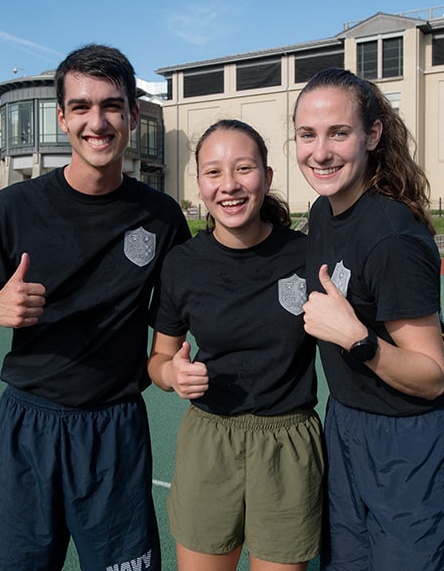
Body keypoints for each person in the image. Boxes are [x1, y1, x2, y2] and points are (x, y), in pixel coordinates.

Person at [0, 44, 190, 571]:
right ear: (62, 117)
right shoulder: (12, 209)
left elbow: (172, 331)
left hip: (115, 431)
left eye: (110, 106)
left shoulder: (162, 217)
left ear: (131, 115)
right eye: (81, 107)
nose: (96, 121)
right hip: (28, 429)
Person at [293, 68, 444, 570]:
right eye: (307, 134)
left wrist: (357, 338)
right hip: (347, 426)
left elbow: (432, 378)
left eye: (339, 133)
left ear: (372, 135)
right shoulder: (324, 212)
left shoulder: (393, 232)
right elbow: (380, 299)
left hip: (410, 442)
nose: (320, 151)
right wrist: (426, 328)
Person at [148, 119, 324, 571]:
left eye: (243, 169)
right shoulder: (181, 265)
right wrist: (172, 374)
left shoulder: (307, 254)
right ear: (200, 184)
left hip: (289, 442)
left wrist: (435, 333)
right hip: (210, 442)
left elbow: (365, 310)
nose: (229, 185)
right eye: (213, 172)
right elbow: (160, 358)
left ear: (266, 177)